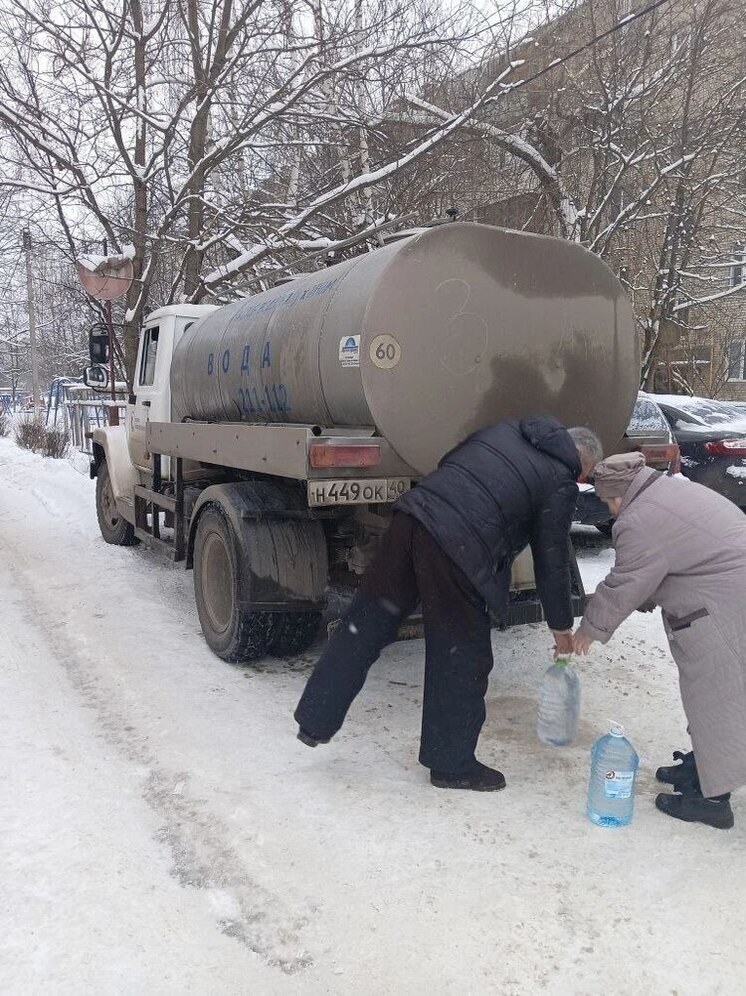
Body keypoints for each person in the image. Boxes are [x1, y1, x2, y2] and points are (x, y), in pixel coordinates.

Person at [294, 417, 603, 791]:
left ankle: (315, 718)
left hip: (413, 517)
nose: (581, 481)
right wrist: (560, 627)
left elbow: (451, 460)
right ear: (582, 462)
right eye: (585, 476)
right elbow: (551, 559)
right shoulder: (560, 480)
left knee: (368, 620)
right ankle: (451, 764)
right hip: (457, 546)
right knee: (461, 655)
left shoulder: (505, 429)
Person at [573, 452, 746, 830]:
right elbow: (668, 559)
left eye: (607, 501)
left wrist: (589, 630)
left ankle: (713, 801)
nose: (610, 510)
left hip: (725, 604)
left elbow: (626, 581)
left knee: (718, 697)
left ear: (619, 493)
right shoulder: (664, 492)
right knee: (712, 695)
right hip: (728, 591)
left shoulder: (639, 520)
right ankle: (703, 769)